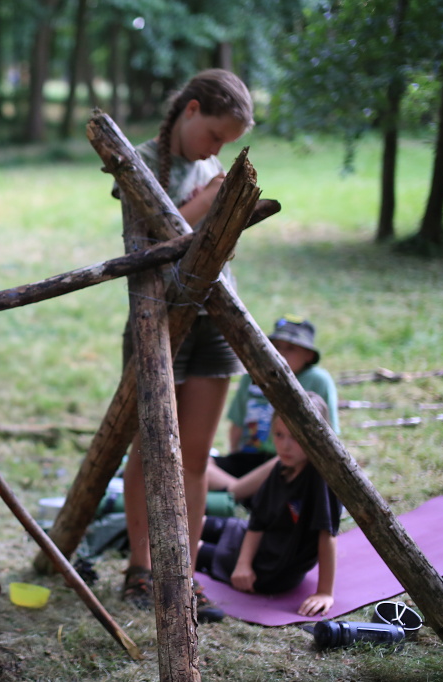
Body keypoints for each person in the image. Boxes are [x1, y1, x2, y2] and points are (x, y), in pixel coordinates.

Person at [114, 69, 254, 623]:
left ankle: (186, 576)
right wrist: (208, 203)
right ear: (191, 110)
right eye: (215, 135)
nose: (217, 150)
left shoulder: (209, 169)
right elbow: (149, 238)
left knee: (195, 456)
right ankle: (141, 568)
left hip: (214, 318)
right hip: (156, 319)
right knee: (150, 449)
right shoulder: (138, 160)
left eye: (226, 144)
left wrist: (221, 204)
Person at [196, 392, 341, 617]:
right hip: (254, 540)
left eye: (295, 437)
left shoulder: (321, 478)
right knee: (194, 524)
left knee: (189, 548)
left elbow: (327, 535)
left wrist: (324, 592)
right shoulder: (282, 466)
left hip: (269, 568)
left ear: (316, 435)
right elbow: (258, 521)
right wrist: (243, 562)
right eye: (279, 435)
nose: (285, 446)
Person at [208, 316, 339, 505]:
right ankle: (244, 492)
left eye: (291, 348)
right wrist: (235, 453)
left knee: (279, 465)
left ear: (309, 355)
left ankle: (233, 494)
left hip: (286, 459)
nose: (280, 353)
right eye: (275, 346)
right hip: (249, 457)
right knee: (197, 463)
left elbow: (328, 437)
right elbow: (237, 423)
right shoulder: (252, 375)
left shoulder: (318, 380)